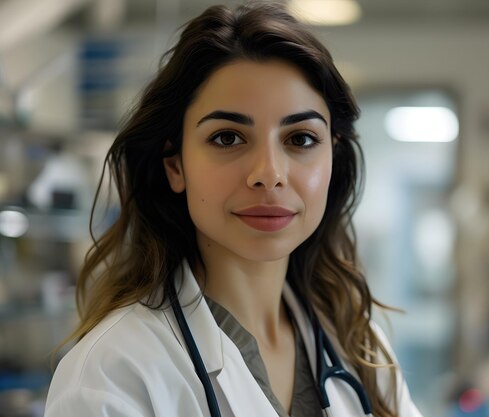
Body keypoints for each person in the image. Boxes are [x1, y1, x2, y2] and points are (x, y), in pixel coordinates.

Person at [44, 2, 422, 417]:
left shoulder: (359, 344)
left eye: (300, 139)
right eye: (228, 138)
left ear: (332, 158)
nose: (269, 174)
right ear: (175, 165)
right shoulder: (113, 375)